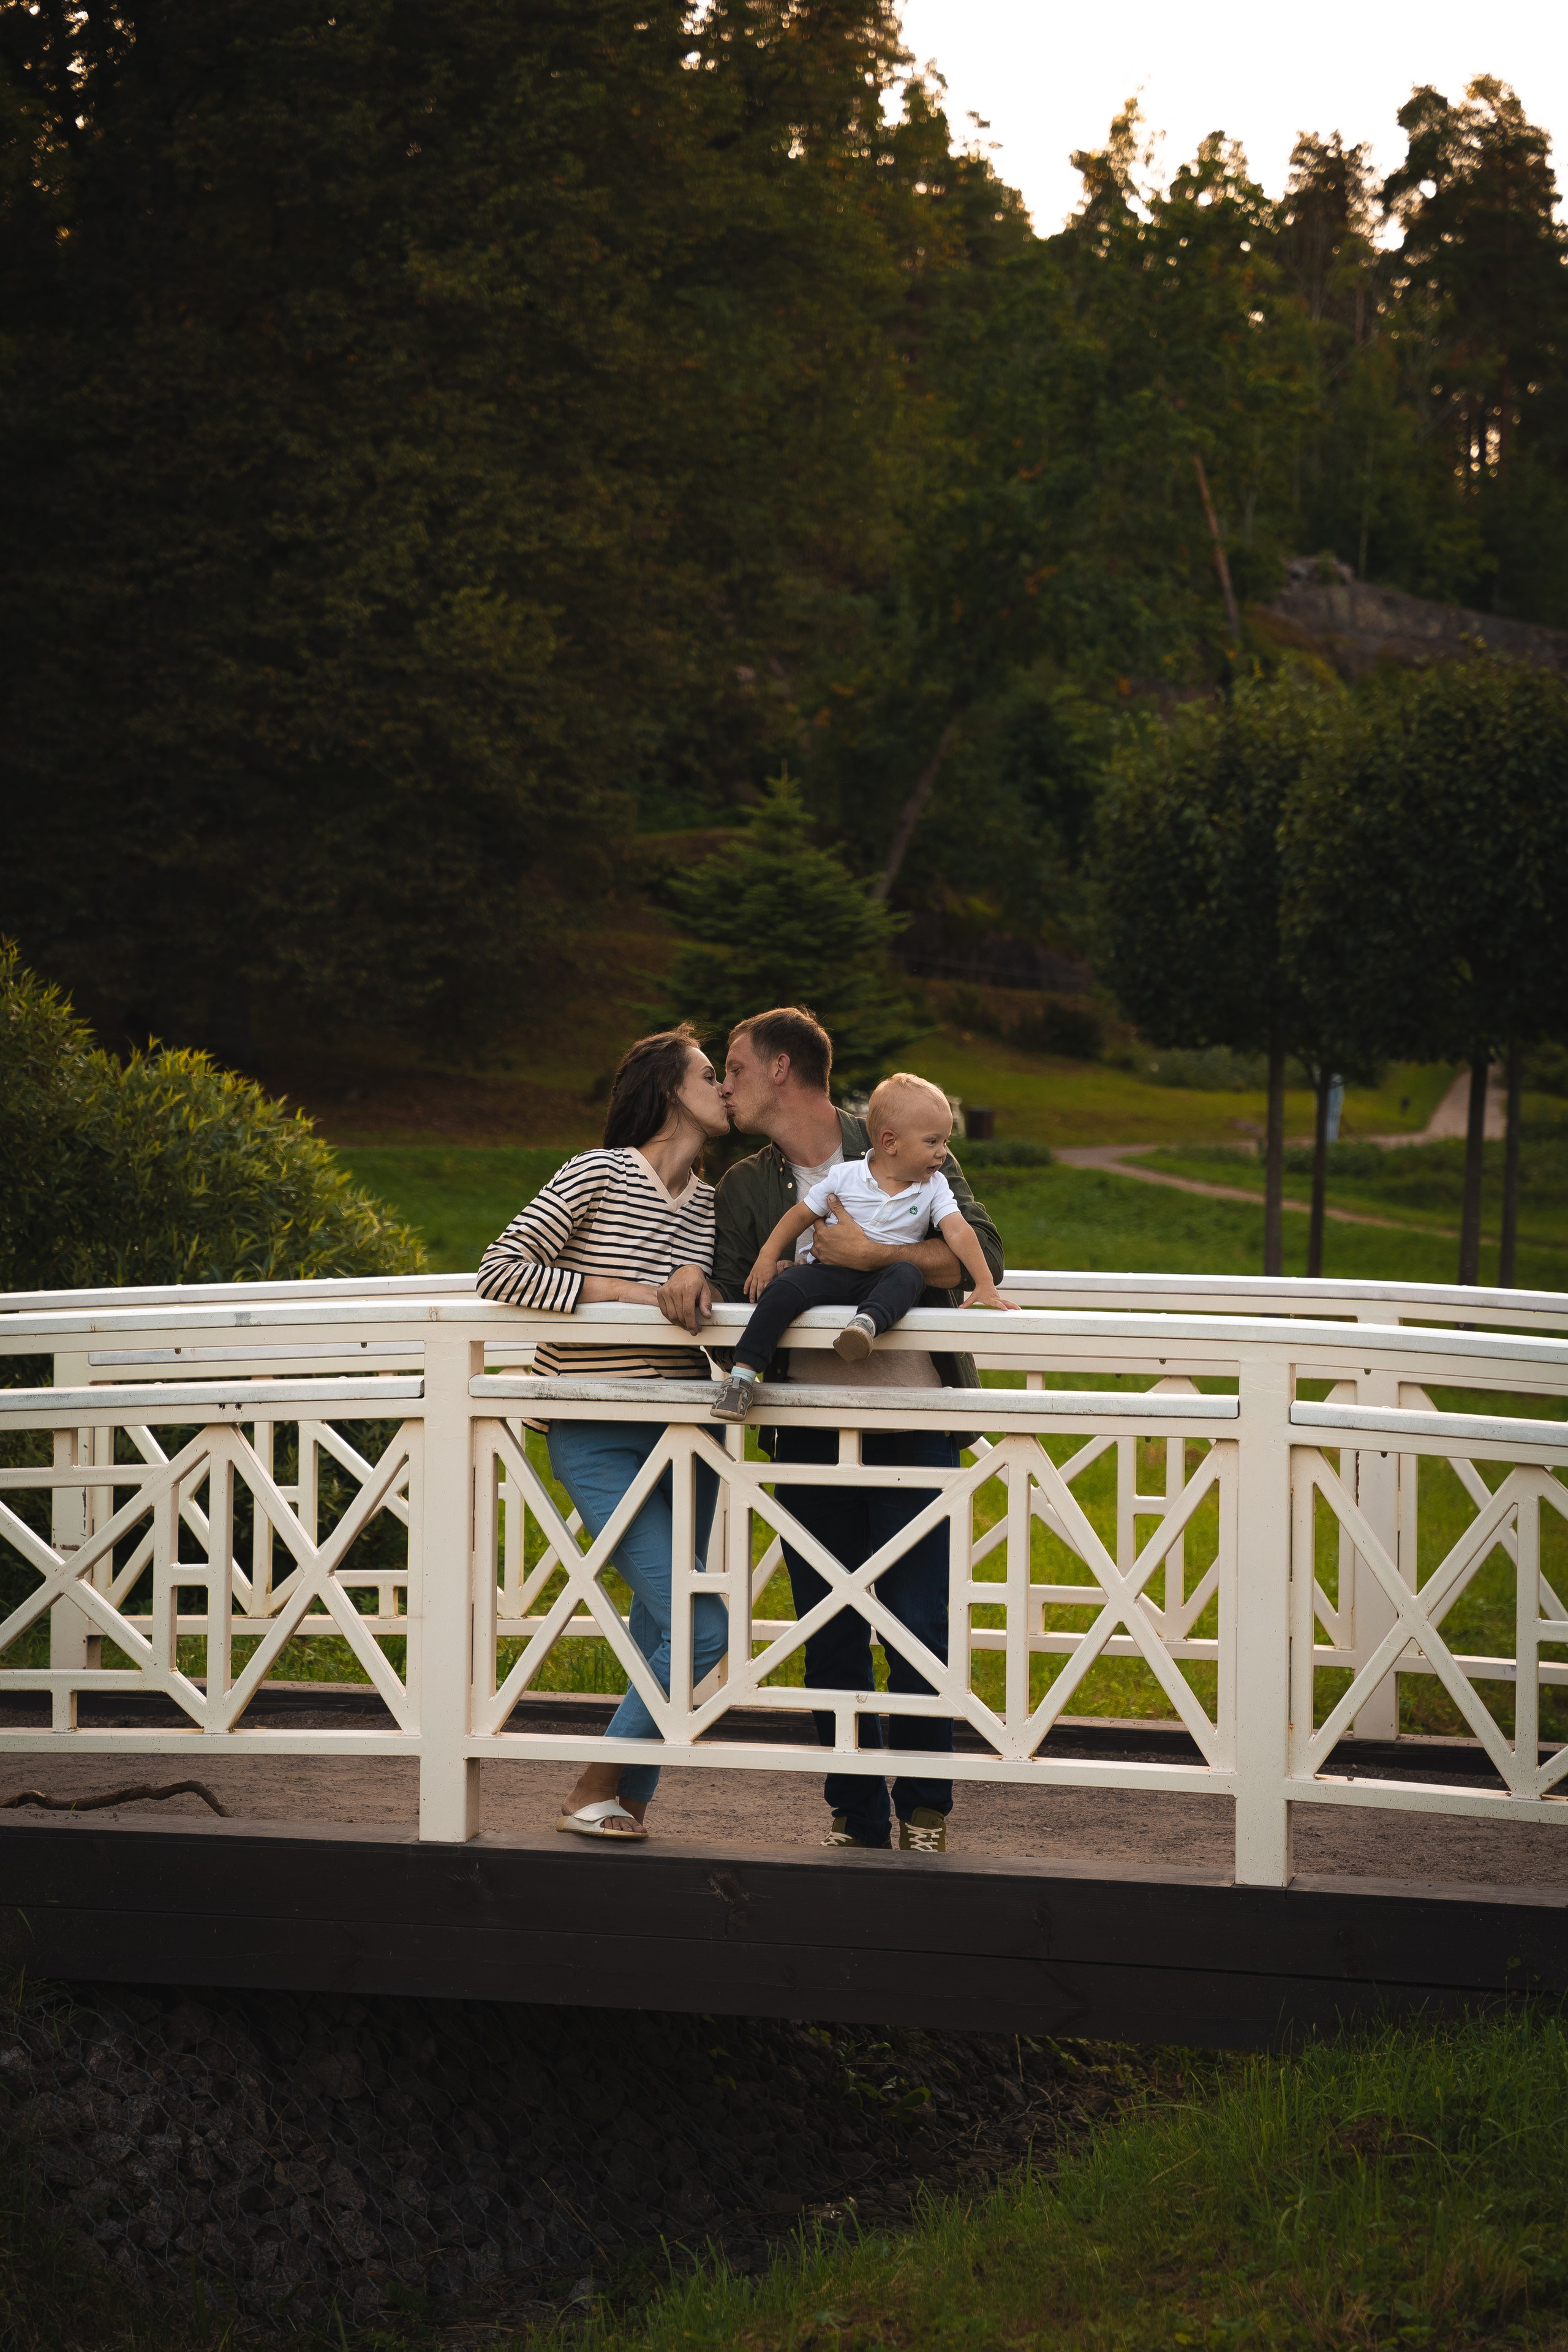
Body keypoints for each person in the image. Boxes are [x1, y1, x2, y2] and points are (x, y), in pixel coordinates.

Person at [656, 1006, 1005, 1856]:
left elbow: (978, 1250)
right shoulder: (745, 1185)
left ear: (779, 1070)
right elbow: (746, 1284)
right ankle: (855, 1811)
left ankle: (925, 1808)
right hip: (808, 1431)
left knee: (919, 1618)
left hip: (915, 1419)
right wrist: (690, 1277)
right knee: (828, 1625)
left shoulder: (900, 1131)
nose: (725, 1084)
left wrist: (864, 1261)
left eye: (733, 1067)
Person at [475, 1025, 730, 1841]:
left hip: (691, 1435)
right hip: (597, 1429)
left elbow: (720, 1296)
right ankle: (594, 1781)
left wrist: (703, 1278)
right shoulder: (598, 1171)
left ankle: (627, 1801)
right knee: (703, 1626)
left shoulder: (716, 1200)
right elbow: (502, 1268)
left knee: (664, 1624)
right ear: (668, 1090)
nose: (724, 1087)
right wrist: (629, 1290)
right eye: (709, 1074)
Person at [711, 1069, 1015, 1420]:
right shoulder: (846, 1176)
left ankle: (865, 1326)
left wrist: (985, 1284)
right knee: (785, 1286)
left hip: (882, 1280)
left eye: (945, 1143)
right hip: (830, 1274)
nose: (943, 1154)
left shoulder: (934, 1186)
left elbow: (960, 1232)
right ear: (890, 1143)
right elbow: (800, 1215)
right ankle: (742, 1378)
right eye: (933, 1142)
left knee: (907, 1274)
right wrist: (767, 1256)